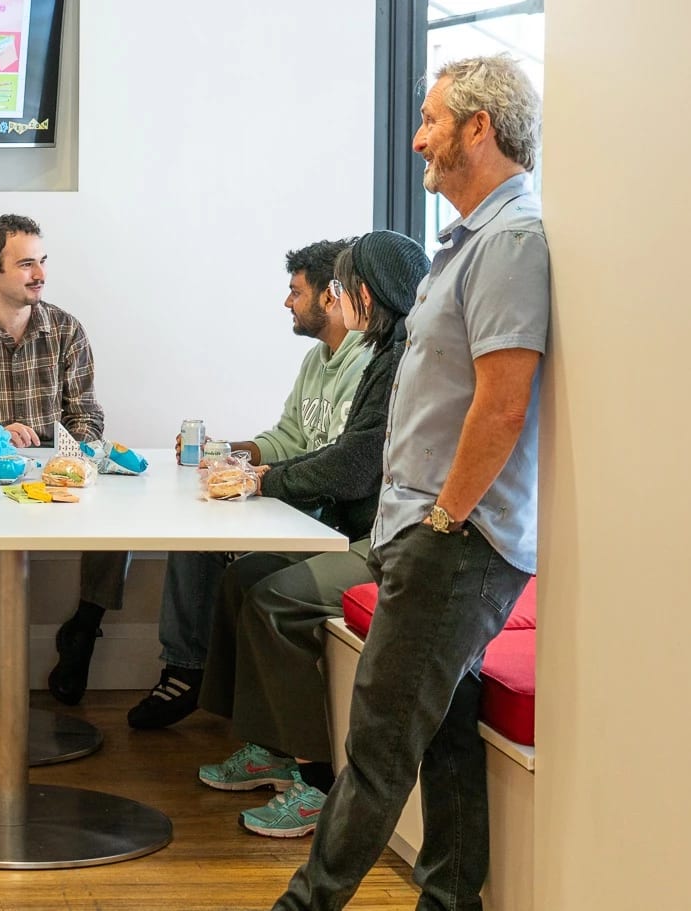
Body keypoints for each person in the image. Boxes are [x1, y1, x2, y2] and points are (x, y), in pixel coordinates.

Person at [273, 54, 548, 911]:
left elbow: (501, 407)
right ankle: (449, 899)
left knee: (379, 744)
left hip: (454, 543)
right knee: (445, 741)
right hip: (428, 534)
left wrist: (440, 523)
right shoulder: (468, 243)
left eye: (431, 119)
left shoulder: (509, 241)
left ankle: (303, 903)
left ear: (479, 127)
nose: (418, 137)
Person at [193, 231, 430, 838]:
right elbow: (320, 445)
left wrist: (265, 481)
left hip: (387, 541)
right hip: (362, 528)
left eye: (345, 288)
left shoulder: (402, 359)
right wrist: (259, 468)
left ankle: (316, 783)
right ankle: (268, 747)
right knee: (244, 575)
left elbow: (355, 463)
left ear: (363, 295)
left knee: (276, 600)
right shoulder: (388, 352)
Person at [129, 238, 370, 728]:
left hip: (338, 521)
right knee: (197, 540)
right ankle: (190, 672)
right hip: (304, 505)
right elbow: (288, 435)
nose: (287, 303)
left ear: (331, 296)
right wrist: (229, 453)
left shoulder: (368, 365)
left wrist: (262, 478)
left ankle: (242, 715)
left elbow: (343, 463)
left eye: (295, 291)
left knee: (247, 576)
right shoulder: (317, 360)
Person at [0, 214, 118, 706]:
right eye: (26, 264)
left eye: (42, 262)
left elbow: (87, 412)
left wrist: (72, 455)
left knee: (120, 524)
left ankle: (84, 626)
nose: (40, 274)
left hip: (54, 471)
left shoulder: (65, 329)